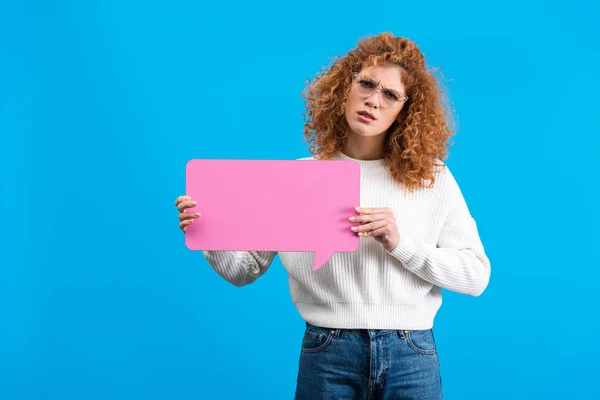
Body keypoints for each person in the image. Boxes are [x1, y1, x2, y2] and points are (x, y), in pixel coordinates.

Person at [174, 32, 491, 400]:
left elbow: (476, 276)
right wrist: (209, 231)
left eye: (390, 94)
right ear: (345, 85)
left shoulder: (432, 179)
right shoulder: (297, 179)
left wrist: (400, 243)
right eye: (367, 84)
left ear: (407, 108)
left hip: (412, 354)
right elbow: (245, 270)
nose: (373, 100)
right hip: (329, 352)